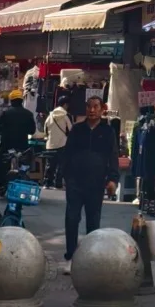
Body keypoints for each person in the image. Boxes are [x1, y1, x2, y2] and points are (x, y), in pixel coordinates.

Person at [60, 94, 118, 270]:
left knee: (93, 221)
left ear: (102, 109)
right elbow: (67, 153)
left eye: (95, 106)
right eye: (89, 106)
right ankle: (70, 256)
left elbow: (113, 157)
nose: (92, 110)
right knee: (72, 219)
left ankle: (90, 258)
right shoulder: (77, 129)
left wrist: (113, 179)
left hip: (96, 182)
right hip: (75, 182)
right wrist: (65, 176)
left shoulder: (108, 132)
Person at [0, 87, 36, 193]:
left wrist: (2, 129)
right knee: (25, 165)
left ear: (11, 101)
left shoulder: (6, 113)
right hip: (22, 147)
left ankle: (0, 185)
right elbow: (32, 131)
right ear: (22, 101)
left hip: (6, 146)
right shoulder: (28, 114)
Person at [43, 93, 72, 188]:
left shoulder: (50, 115)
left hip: (50, 144)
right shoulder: (66, 116)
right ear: (65, 105)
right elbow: (70, 129)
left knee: (50, 164)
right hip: (62, 143)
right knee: (61, 165)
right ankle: (58, 184)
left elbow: (45, 129)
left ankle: (47, 183)